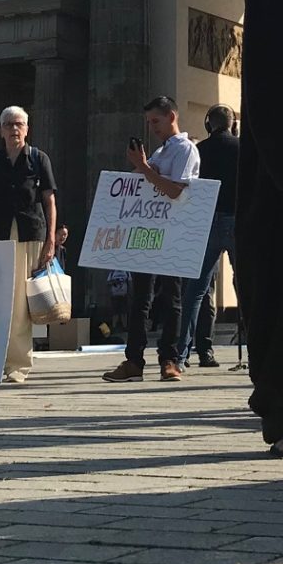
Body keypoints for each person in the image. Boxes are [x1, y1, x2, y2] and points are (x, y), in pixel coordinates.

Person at [103, 96, 200, 383]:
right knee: (140, 298)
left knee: (171, 296)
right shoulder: (161, 152)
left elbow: (176, 192)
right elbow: (141, 180)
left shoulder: (185, 149)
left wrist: (145, 169)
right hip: (149, 231)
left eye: (156, 121)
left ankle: (169, 359)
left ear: (171, 116)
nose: (152, 127)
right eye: (149, 123)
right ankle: (134, 359)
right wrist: (143, 167)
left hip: (174, 232)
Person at [0, 106, 59, 383]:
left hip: (30, 232)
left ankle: (18, 365)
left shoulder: (38, 159)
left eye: (19, 124)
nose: (14, 129)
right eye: (8, 125)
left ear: (27, 129)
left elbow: (49, 201)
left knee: (20, 303)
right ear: (1, 131)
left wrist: (51, 239)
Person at [183, 105, 239, 369]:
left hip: (206, 223)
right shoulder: (243, 149)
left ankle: (186, 353)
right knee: (247, 288)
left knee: (196, 292)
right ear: (233, 125)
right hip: (236, 220)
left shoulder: (199, 151)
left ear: (209, 124)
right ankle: (258, 351)